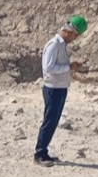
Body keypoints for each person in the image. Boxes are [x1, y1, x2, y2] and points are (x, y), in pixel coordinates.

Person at [33, 16, 88, 166]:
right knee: (49, 121)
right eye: (75, 35)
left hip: (61, 88)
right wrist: (69, 67)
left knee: (53, 122)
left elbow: (60, 66)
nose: (75, 39)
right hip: (53, 89)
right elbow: (49, 68)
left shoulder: (62, 45)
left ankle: (44, 152)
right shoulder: (54, 45)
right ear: (68, 31)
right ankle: (39, 154)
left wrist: (72, 67)